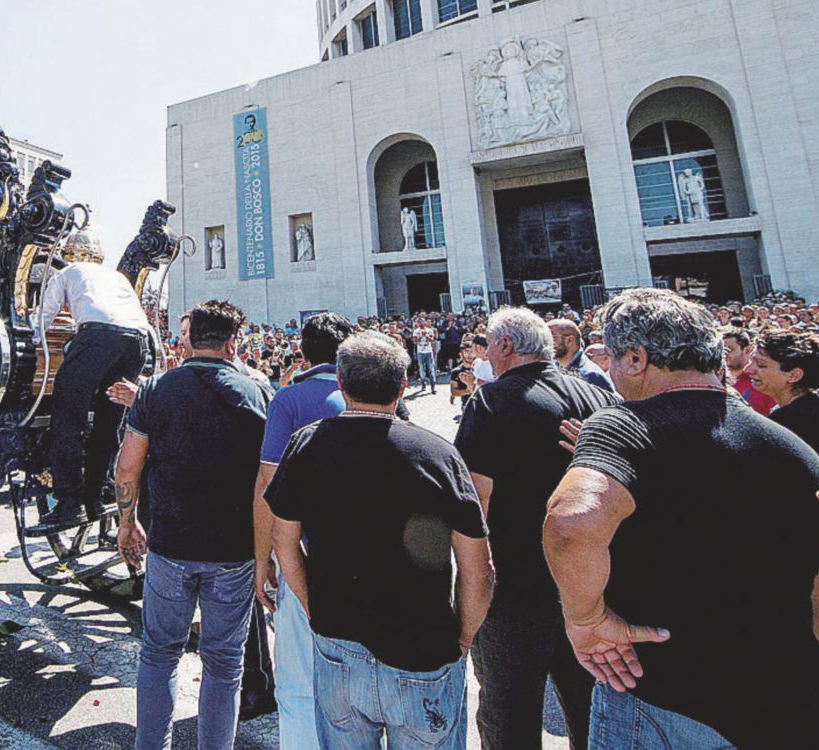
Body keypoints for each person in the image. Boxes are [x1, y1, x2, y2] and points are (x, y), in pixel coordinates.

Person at [544, 288, 819, 750]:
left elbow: (571, 524)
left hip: (669, 707)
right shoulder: (797, 451)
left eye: (613, 358)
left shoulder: (623, 426)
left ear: (636, 359)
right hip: (795, 710)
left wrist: (586, 619)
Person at [266, 331, 494, 749]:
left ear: (341, 383)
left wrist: (314, 608)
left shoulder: (308, 445)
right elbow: (479, 569)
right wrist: (462, 638)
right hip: (422, 649)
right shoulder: (438, 454)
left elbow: (284, 544)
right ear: (403, 385)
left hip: (339, 643)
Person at [453, 307, 617, 750]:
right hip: (592, 583)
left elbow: (475, 501)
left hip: (515, 591)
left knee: (510, 719)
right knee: (595, 714)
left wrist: (469, 584)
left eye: (488, 343)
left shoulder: (489, 402)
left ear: (504, 346)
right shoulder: (599, 398)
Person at [116, 300, 270, 750]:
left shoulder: (156, 389)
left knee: (159, 656)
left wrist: (126, 523)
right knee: (224, 664)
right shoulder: (258, 392)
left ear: (187, 339)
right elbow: (270, 479)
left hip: (171, 543)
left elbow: (128, 469)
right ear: (231, 342)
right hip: (234, 549)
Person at [252, 311, 351, 748]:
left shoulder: (289, 400)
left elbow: (268, 487)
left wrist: (263, 561)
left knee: (297, 681)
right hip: (369, 556)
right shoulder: (376, 394)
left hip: (304, 556)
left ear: (303, 352)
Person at [31, 229, 153, 534]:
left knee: (67, 418)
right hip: (136, 341)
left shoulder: (66, 273)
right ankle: (96, 496)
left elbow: (45, 315)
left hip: (99, 336)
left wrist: (29, 340)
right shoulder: (116, 277)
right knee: (108, 422)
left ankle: (69, 502)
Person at [748, 331, 819, 487]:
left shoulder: (797, 419)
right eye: (751, 362)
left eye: (761, 365)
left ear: (794, 375)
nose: (749, 369)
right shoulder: (804, 409)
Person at [549, 318, 614, 392]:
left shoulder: (590, 375)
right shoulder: (553, 367)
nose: (546, 343)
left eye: (552, 338)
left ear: (570, 340)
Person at [722, 327, 775, 415]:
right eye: (722, 349)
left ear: (747, 350)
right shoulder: (715, 380)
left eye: (730, 349)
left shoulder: (761, 381)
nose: (725, 353)